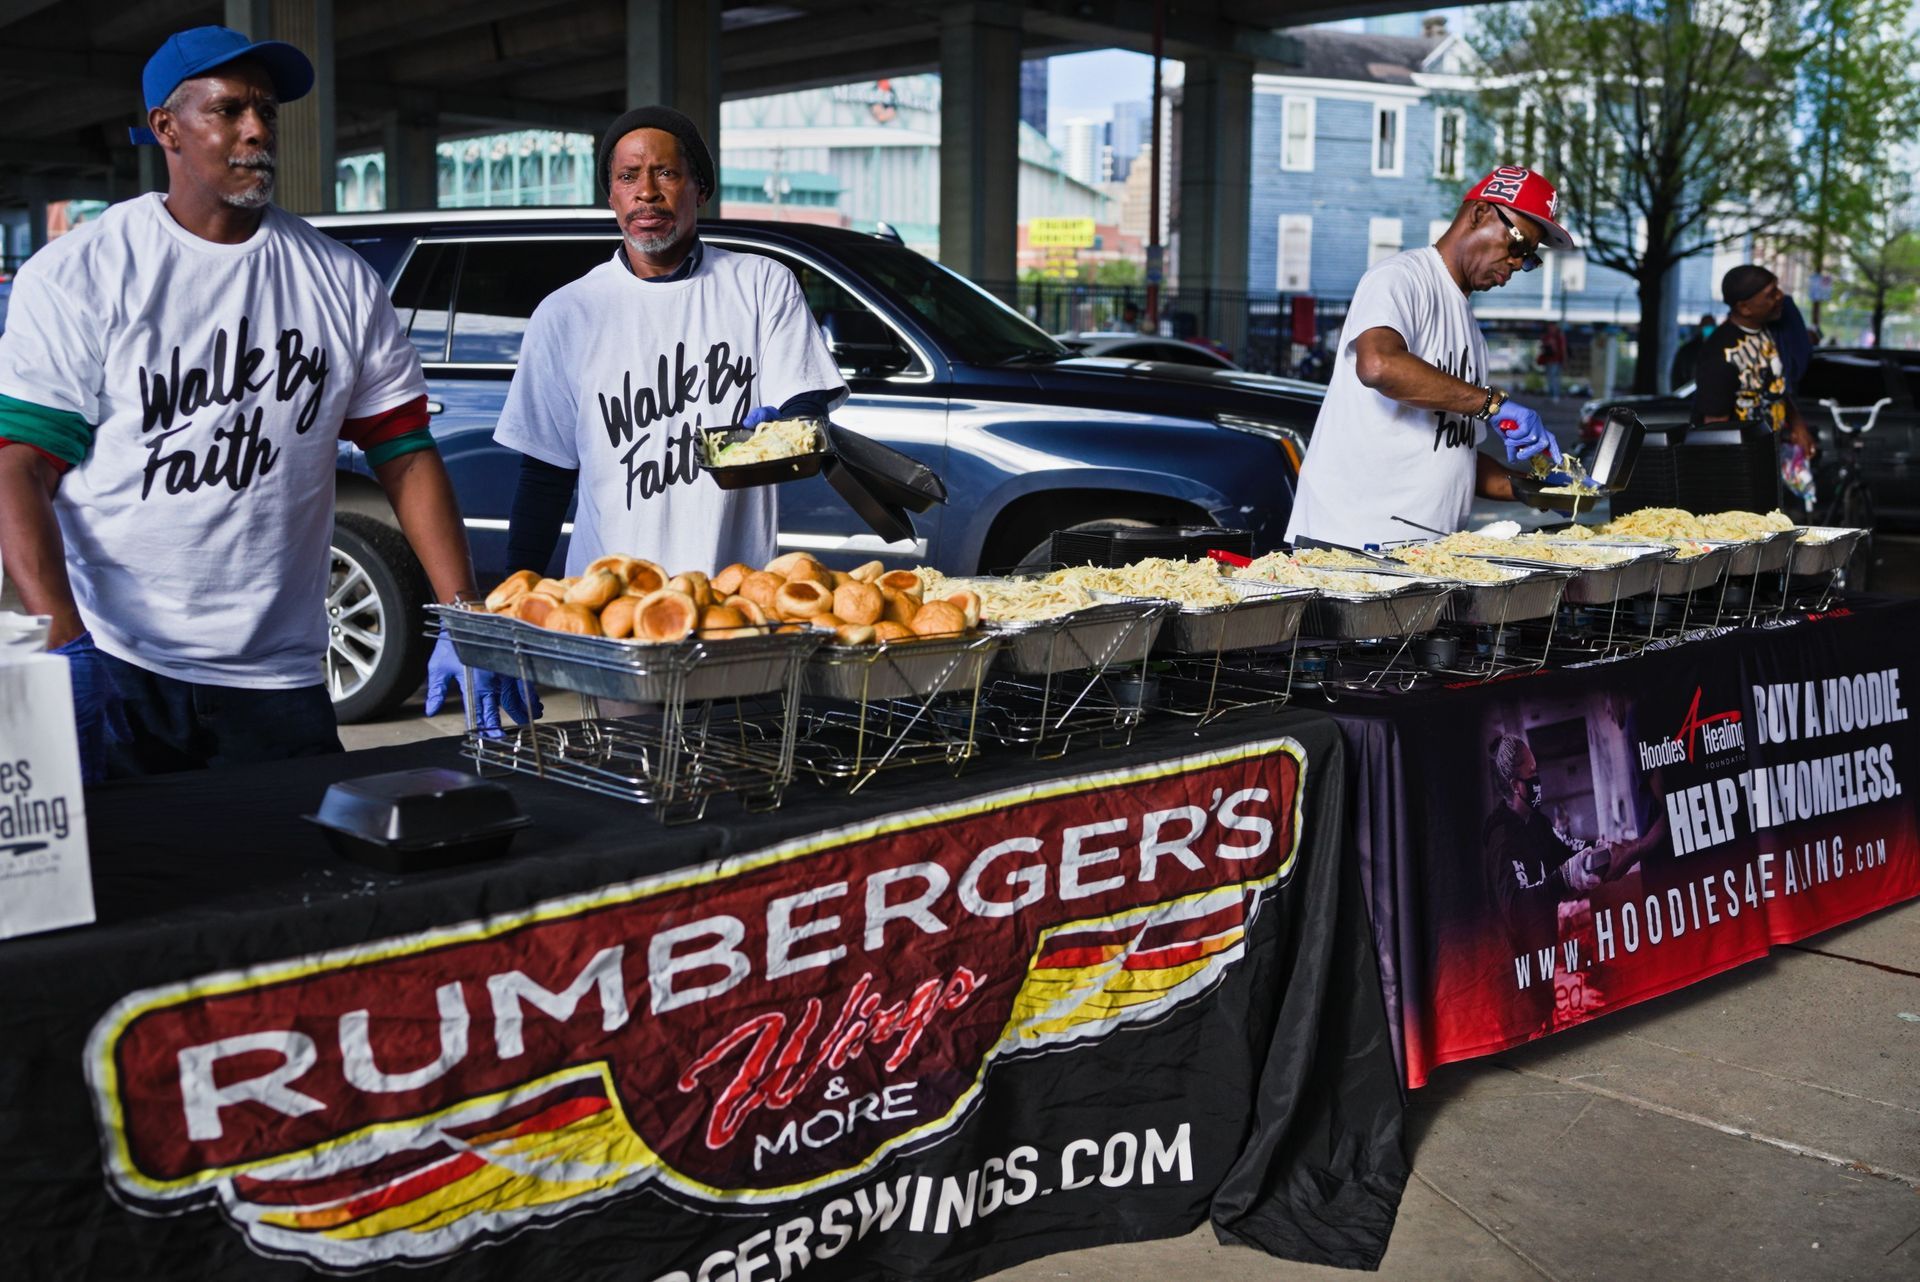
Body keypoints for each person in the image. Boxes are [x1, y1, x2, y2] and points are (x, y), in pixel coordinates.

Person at [0, 25, 527, 781]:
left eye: (267, 112)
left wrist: (463, 610)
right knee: (134, 860)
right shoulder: (84, 271)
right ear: (166, 128)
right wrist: (62, 639)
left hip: (280, 678)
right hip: (122, 662)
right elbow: (21, 464)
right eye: (229, 110)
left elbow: (406, 453)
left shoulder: (337, 280)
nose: (257, 131)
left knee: (298, 855)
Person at [498, 107, 846, 580]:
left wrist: (784, 430)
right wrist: (516, 587)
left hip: (733, 595)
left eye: (665, 173)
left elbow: (805, 410)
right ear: (612, 196)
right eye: (628, 176)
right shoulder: (566, 313)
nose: (646, 192)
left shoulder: (762, 285)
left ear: (700, 188)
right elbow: (545, 474)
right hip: (611, 597)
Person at [1285, 166, 1576, 550]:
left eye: (1530, 258)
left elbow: (1457, 456)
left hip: (1420, 551)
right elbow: (1378, 365)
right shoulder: (1400, 278)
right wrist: (1491, 404)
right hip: (1350, 542)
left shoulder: (1472, 335)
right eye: (1518, 246)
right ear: (1480, 214)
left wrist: (1540, 489)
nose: (1518, 264)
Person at [1693, 265, 1817, 458]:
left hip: (1769, 456)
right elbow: (1714, 432)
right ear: (1745, 308)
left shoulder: (1767, 331)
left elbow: (1775, 388)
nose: (1780, 296)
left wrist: (1797, 423)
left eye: (1777, 288)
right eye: (1771, 294)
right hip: (1740, 464)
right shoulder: (1719, 355)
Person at [1669, 312, 1715, 390]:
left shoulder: (1719, 349)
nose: (1709, 329)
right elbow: (1677, 375)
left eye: (1711, 325)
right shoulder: (1687, 351)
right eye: (1706, 325)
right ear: (1700, 327)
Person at [1538, 320, 1568, 400]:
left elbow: (1563, 349)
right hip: (1548, 360)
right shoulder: (1547, 336)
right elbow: (1542, 347)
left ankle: (1555, 395)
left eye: (1552, 327)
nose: (1551, 328)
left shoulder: (1559, 336)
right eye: (1550, 327)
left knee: (1555, 378)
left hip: (1556, 360)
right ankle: (1551, 394)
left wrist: (1564, 360)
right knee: (1549, 378)